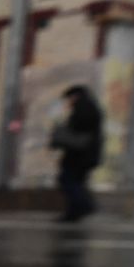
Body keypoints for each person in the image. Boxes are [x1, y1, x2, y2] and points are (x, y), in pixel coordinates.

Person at [49, 85, 102, 222]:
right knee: (76, 181)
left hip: (79, 154)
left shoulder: (84, 108)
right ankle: (74, 212)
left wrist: (62, 132)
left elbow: (78, 129)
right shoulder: (90, 106)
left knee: (68, 180)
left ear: (75, 96)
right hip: (84, 154)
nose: (69, 102)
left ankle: (83, 206)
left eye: (70, 98)